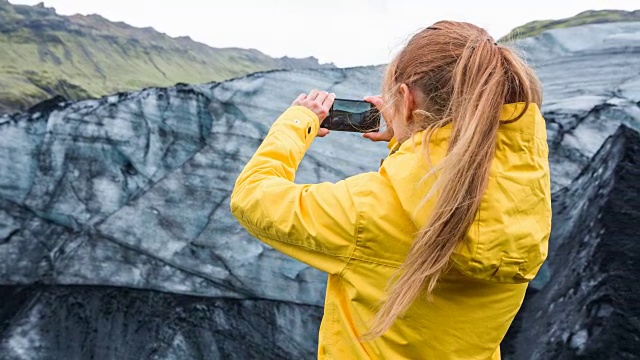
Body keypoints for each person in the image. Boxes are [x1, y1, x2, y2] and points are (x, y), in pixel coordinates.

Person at [230, 20, 551, 360]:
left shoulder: (368, 211)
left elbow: (253, 196)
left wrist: (297, 123)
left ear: (406, 99)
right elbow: (450, 187)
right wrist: (409, 143)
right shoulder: (524, 200)